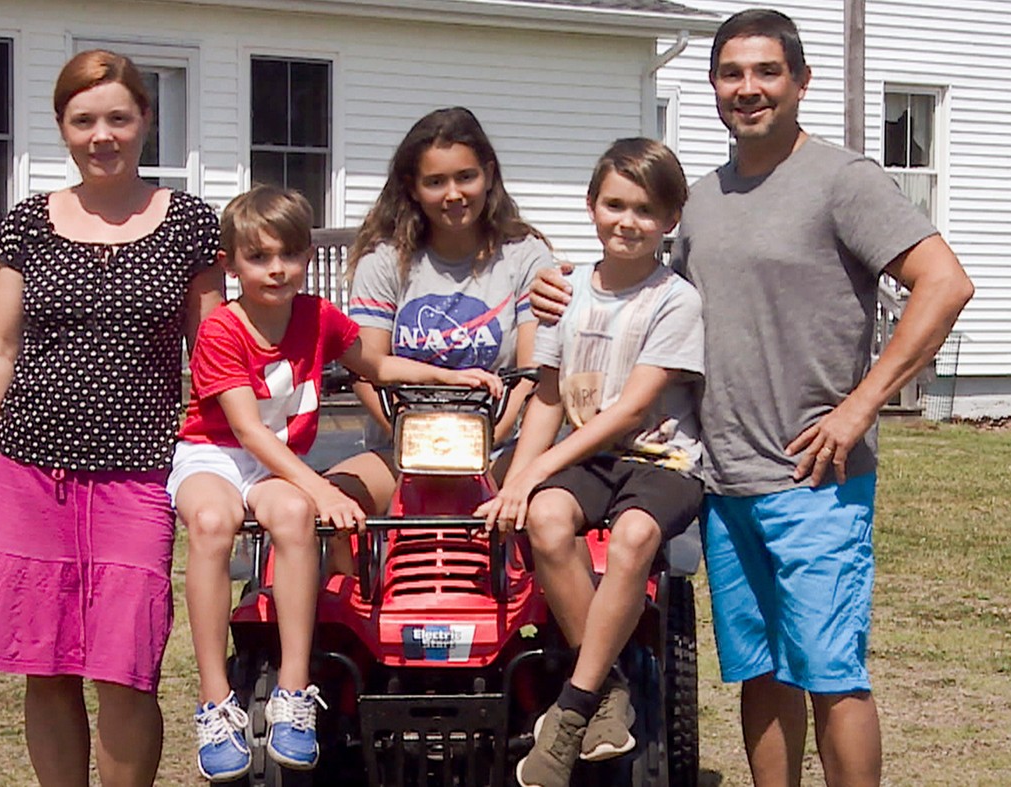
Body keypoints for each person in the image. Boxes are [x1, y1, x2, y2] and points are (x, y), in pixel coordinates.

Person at [530, 10, 974, 786]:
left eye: (767, 72)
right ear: (713, 87)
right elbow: (643, 286)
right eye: (732, 73)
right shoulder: (699, 202)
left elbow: (945, 284)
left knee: (832, 673)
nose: (749, 88)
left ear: (799, 81)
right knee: (762, 672)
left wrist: (861, 405)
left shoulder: (844, 181)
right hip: (722, 478)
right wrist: (560, 289)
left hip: (815, 477)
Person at [0, 50, 223, 786]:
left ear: (145, 121)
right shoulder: (30, 222)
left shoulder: (191, 224)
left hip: (137, 474)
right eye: (84, 120)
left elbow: (217, 355)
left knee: (125, 666)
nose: (102, 135)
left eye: (118, 117)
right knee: (43, 663)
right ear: (63, 128)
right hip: (29, 470)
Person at [171, 185, 501, 782]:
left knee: (296, 519)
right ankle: (215, 700)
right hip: (216, 455)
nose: (276, 269)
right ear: (231, 263)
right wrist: (320, 488)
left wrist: (455, 376)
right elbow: (246, 430)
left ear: (305, 257)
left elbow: (376, 366)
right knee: (215, 523)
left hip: (276, 465)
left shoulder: (316, 318)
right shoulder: (223, 330)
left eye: (289, 255)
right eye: (258, 257)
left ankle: (295, 693)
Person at [477, 138, 704, 787]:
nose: (627, 220)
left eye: (645, 208)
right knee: (543, 516)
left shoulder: (675, 301)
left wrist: (537, 467)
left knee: (634, 535)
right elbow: (548, 393)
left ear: (670, 219)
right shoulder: (564, 291)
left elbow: (631, 412)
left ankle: (572, 710)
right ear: (592, 205)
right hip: (591, 455)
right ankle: (609, 687)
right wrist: (520, 478)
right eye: (614, 204)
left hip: (663, 460)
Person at [325, 106, 553, 517]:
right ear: (413, 187)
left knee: (550, 513)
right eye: (435, 182)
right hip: (400, 450)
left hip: (501, 447)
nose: (453, 194)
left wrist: (486, 437)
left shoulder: (524, 256)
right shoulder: (385, 259)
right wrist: (418, 440)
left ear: (488, 174)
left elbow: (531, 374)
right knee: (322, 507)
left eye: (466, 177)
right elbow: (367, 368)